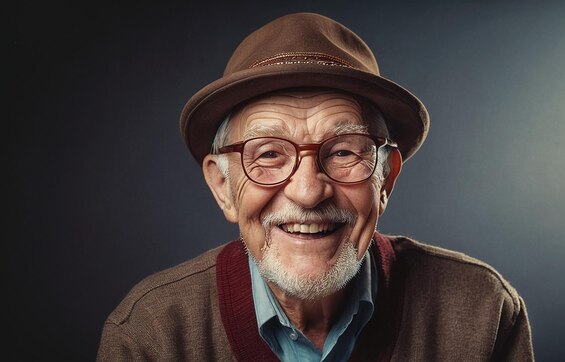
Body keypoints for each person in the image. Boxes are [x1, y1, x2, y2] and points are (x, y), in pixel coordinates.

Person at [97, 12, 534, 361]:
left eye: (344, 151)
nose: (308, 192)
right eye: (268, 154)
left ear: (386, 178)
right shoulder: (151, 334)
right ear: (222, 186)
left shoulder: (483, 310)